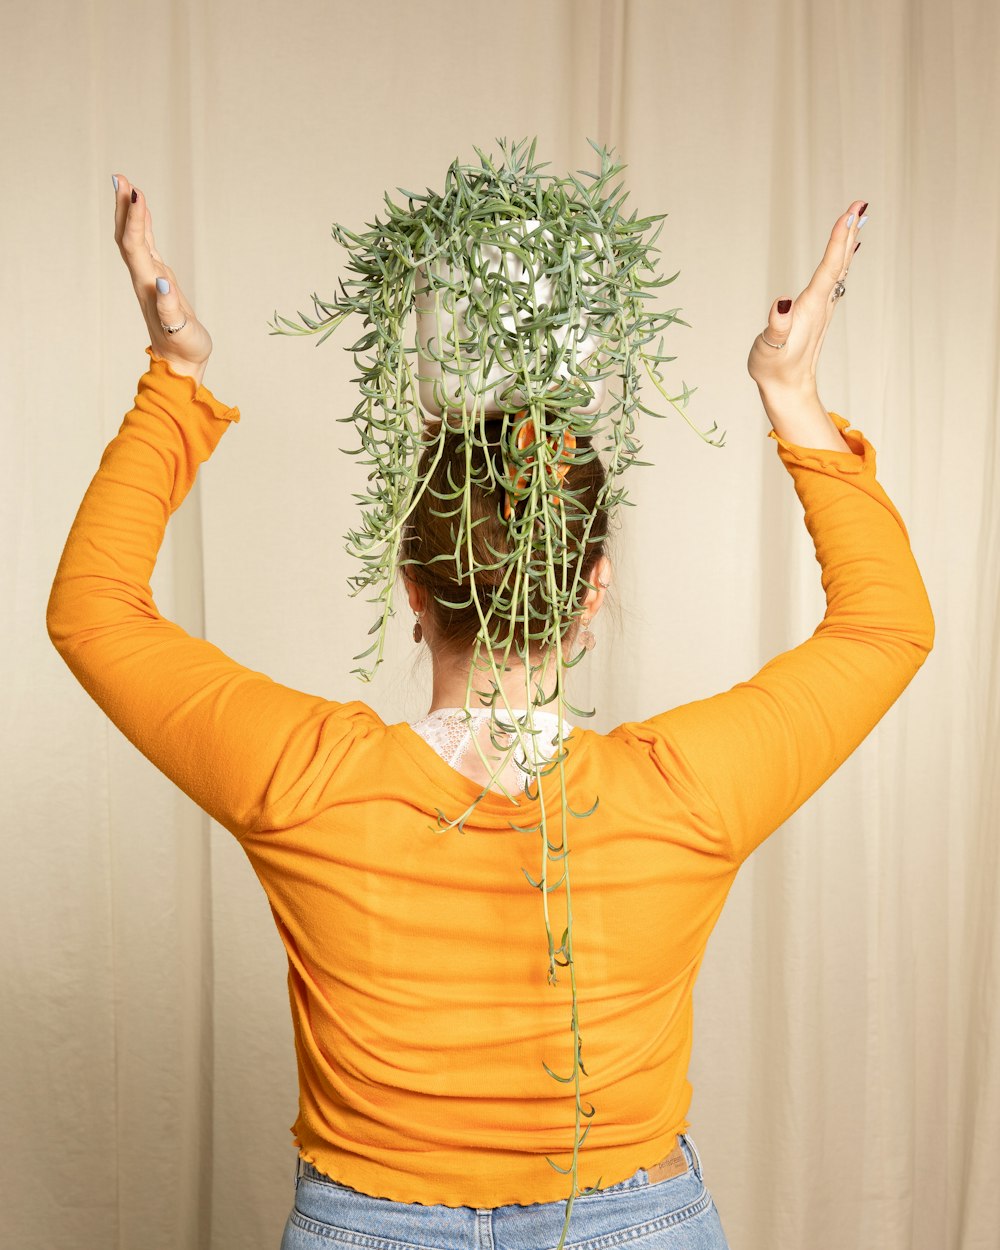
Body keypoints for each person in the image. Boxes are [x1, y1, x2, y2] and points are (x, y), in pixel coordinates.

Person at [45, 176, 934, 1250]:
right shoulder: (684, 788)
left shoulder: (306, 776)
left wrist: (176, 379)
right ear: (593, 589)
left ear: (410, 591)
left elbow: (93, 610)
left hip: (366, 1227)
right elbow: (887, 626)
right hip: (630, 1224)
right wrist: (792, 394)